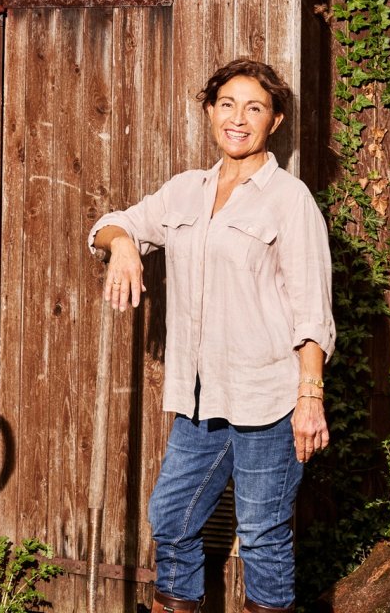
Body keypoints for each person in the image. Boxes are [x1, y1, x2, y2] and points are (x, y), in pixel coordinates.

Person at [87, 58, 335, 613]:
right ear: (209, 112)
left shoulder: (289, 200)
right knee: (171, 517)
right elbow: (106, 225)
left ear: (275, 122)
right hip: (200, 402)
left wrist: (310, 397)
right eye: (227, 105)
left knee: (263, 536)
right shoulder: (184, 192)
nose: (239, 118)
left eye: (255, 108)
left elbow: (312, 312)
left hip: (269, 401)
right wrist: (125, 243)